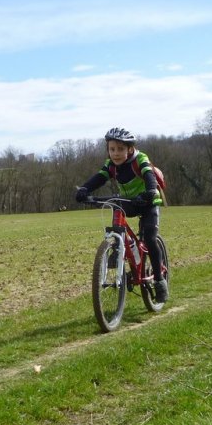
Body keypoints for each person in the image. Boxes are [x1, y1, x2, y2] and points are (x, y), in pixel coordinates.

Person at [75, 127, 168, 302]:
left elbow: (149, 176)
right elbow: (100, 177)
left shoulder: (140, 159)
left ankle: (159, 279)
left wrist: (149, 192)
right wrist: (85, 189)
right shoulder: (111, 165)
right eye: (112, 149)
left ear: (130, 149)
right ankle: (118, 249)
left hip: (148, 202)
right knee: (116, 207)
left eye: (120, 149)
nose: (115, 154)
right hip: (129, 202)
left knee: (149, 237)